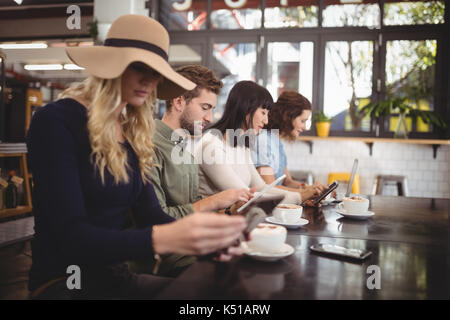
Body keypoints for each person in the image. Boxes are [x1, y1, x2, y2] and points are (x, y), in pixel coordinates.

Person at [26, 14, 245, 300]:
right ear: (112, 64)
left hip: (114, 279)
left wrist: (211, 237)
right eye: (140, 67)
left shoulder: (130, 133)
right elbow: (71, 235)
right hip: (65, 284)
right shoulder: (55, 121)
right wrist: (163, 238)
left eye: (156, 73)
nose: (149, 80)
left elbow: (151, 216)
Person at [135, 65, 252, 276]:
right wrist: (215, 201)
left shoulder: (184, 148)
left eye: (212, 109)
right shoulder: (148, 147)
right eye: (205, 107)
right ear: (179, 101)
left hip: (193, 249)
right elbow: (157, 219)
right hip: (168, 261)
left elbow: (190, 202)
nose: (210, 117)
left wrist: (227, 212)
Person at [196, 81, 318, 204]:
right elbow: (245, 195)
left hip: (236, 218)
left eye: (268, 114)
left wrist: (302, 195)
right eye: (263, 113)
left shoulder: (241, 145)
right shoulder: (212, 145)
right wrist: (300, 197)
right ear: (246, 109)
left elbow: (261, 187)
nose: (266, 121)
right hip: (213, 220)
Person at [251, 91, 328, 202]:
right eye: (302, 121)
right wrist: (305, 193)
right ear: (287, 116)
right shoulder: (263, 141)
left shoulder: (277, 142)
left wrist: (309, 188)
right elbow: (269, 187)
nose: (305, 127)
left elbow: (288, 181)